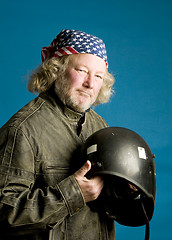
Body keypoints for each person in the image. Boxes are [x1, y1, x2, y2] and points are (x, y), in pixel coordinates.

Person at [0, 29, 115, 239]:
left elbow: (107, 207)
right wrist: (73, 194)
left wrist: (127, 190)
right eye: (82, 71)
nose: (90, 84)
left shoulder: (100, 126)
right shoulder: (22, 130)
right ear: (56, 70)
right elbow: (4, 214)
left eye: (98, 76)